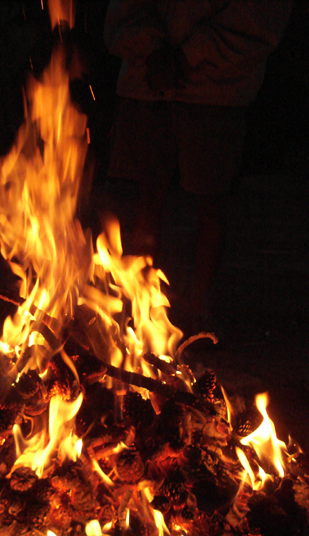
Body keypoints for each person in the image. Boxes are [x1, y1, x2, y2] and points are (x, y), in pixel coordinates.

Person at [104, 0, 293, 326]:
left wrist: (185, 57)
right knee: (146, 195)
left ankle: (198, 306)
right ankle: (139, 301)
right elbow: (125, 10)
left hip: (213, 87)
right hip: (148, 81)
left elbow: (258, 18)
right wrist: (151, 51)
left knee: (210, 201)